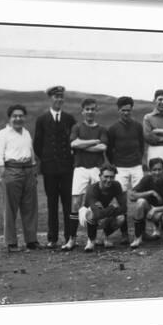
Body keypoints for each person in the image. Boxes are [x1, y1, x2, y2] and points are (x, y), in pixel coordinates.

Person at [0, 104, 40, 252]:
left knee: (30, 207)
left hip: (28, 171)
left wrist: (33, 171)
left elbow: (30, 153)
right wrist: (3, 174)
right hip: (12, 171)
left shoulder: (26, 133)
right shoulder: (2, 135)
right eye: (15, 116)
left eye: (21, 116)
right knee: (10, 209)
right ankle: (11, 243)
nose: (18, 119)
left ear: (24, 117)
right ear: (9, 118)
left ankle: (31, 241)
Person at [33, 85, 76, 249]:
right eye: (56, 97)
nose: (59, 100)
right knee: (52, 203)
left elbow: (73, 140)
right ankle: (52, 238)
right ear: (50, 98)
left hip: (67, 168)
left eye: (61, 97)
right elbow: (37, 144)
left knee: (67, 203)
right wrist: (47, 158)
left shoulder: (69, 119)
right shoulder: (42, 120)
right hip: (49, 169)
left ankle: (68, 237)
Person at [63, 98, 108, 251]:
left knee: (97, 203)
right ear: (82, 111)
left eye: (92, 109)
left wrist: (83, 145)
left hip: (97, 168)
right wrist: (93, 141)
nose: (90, 112)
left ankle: (93, 239)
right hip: (80, 168)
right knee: (75, 203)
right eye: (87, 109)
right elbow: (73, 144)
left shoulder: (102, 129)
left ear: (96, 111)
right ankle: (72, 239)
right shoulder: (77, 127)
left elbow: (102, 147)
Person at [107, 96, 145, 244]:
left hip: (136, 166)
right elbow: (110, 150)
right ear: (118, 111)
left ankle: (140, 233)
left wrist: (137, 159)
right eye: (123, 110)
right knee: (121, 201)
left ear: (132, 110)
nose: (126, 113)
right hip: (120, 168)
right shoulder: (113, 129)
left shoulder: (137, 126)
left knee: (140, 199)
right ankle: (124, 234)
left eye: (128, 110)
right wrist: (115, 164)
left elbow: (141, 146)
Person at [129, 158, 163, 248]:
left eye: (160, 169)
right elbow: (132, 196)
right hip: (150, 211)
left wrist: (156, 209)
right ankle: (138, 237)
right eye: (154, 170)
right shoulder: (146, 179)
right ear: (150, 171)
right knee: (140, 202)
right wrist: (150, 192)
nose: (157, 172)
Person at [79, 164, 127, 252]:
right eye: (106, 176)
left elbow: (124, 208)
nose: (109, 180)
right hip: (87, 213)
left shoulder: (116, 185)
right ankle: (91, 240)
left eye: (111, 177)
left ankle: (105, 235)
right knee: (92, 214)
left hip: (103, 212)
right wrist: (112, 207)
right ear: (100, 176)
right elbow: (97, 214)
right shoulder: (92, 189)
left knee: (121, 218)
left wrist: (107, 211)